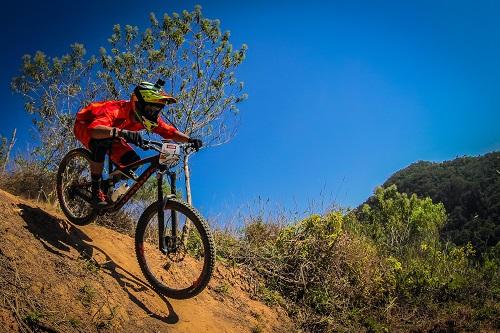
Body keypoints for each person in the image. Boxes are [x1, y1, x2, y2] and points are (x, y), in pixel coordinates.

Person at [73, 80, 202, 207]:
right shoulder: (115, 111)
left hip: (114, 134)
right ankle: (96, 190)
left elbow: (170, 132)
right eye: (150, 109)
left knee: (133, 162)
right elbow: (93, 130)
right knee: (100, 143)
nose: (154, 113)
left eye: (157, 110)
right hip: (86, 126)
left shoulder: (146, 119)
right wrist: (122, 133)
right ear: (138, 104)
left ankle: (107, 184)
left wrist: (190, 140)